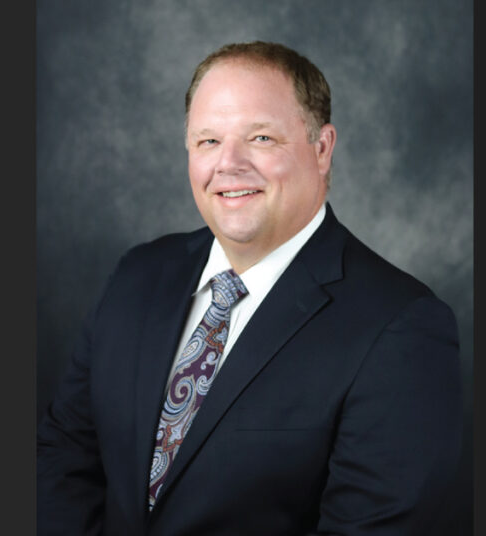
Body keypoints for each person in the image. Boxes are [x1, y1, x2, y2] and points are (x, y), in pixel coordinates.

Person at [37, 41, 462, 535]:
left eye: (260, 138)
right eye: (208, 141)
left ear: (322, 149)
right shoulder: (138, 274)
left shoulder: (402, 328)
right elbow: (64, 451)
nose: (229, 164)